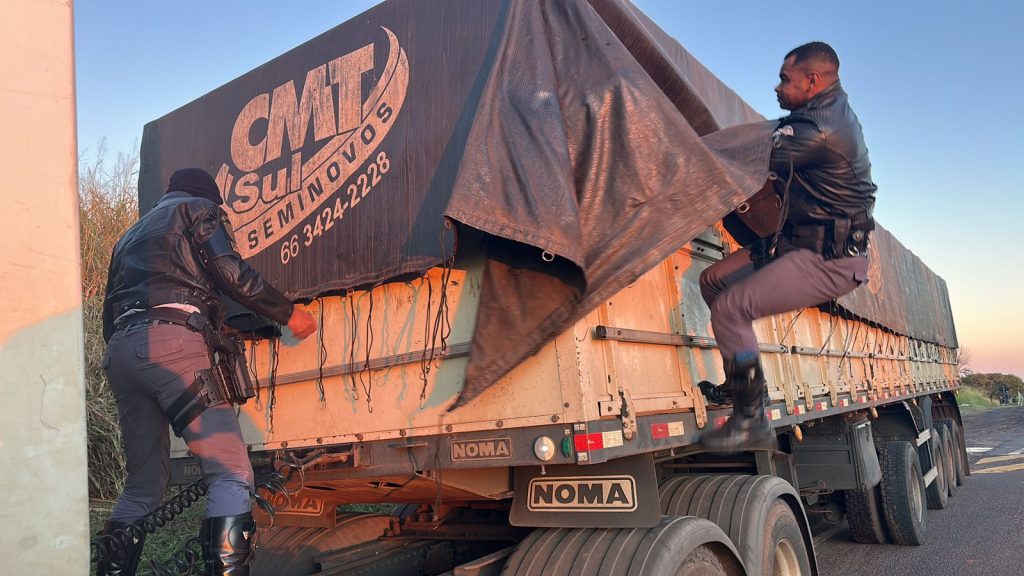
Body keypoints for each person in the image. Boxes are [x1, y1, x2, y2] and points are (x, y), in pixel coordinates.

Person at [97, 167, 317, 575]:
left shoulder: (126, 237)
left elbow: (108, 315)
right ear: (211, 196)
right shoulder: (198, 209)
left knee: (143, 486)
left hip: (122, 354)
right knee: (231, 471)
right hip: (172, 348)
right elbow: (232, 274)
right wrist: (289, 315)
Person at [698, 42, 877, 452]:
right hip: (794, 243)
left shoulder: (820, 132)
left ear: (812, 81)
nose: (776, 86)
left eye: (784, 79)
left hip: (828, 259)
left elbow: (751, 155)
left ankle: (751, 419)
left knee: (731, 307)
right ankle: (739, 384)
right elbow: (767, 133)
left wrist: (685, 151)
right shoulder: (813, 116)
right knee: (713, 281)